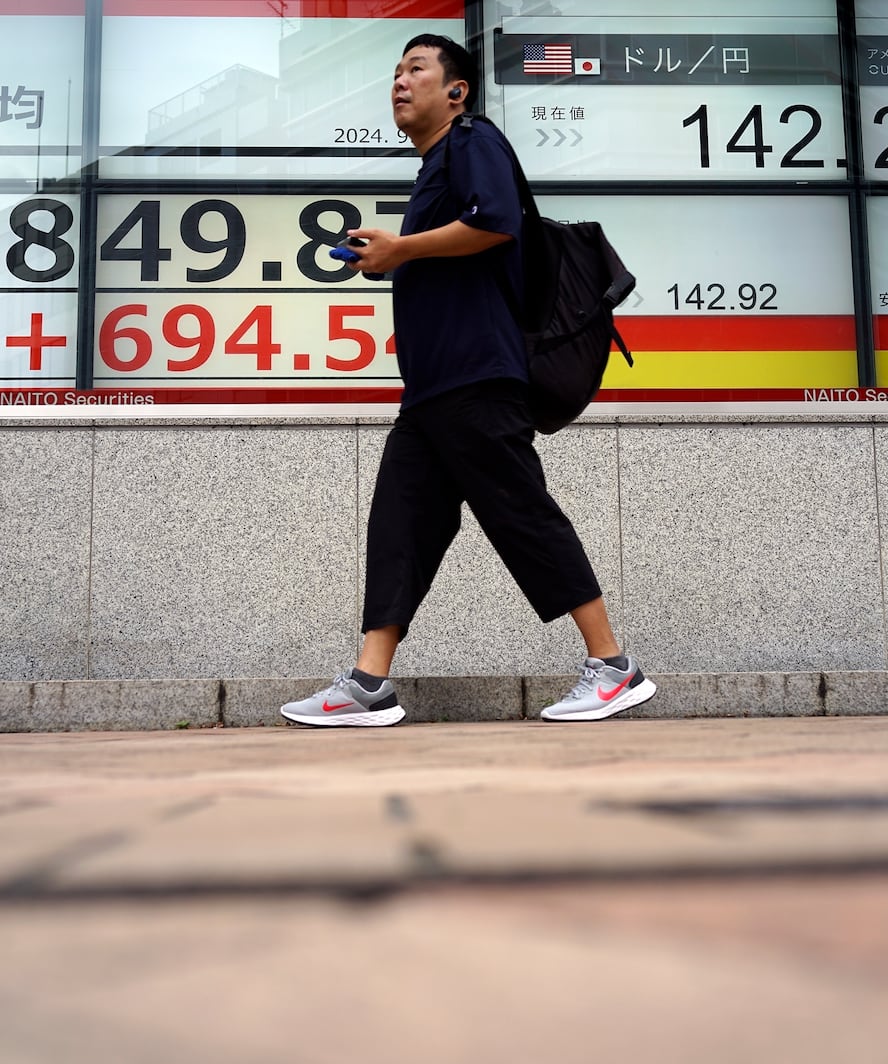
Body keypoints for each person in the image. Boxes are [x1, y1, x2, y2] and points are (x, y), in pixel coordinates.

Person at [280, 34, 655, 727]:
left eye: (415, 69)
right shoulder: (432, 170)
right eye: (394, 71)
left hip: (477, 378)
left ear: (456, 90)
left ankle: (612, 666)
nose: (399, 81)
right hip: (431, 392)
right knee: (401, 525)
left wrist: (403, 248)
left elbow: (496, 222)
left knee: (521, 512)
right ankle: (369, 681)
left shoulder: (470, 138)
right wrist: (398, 254)